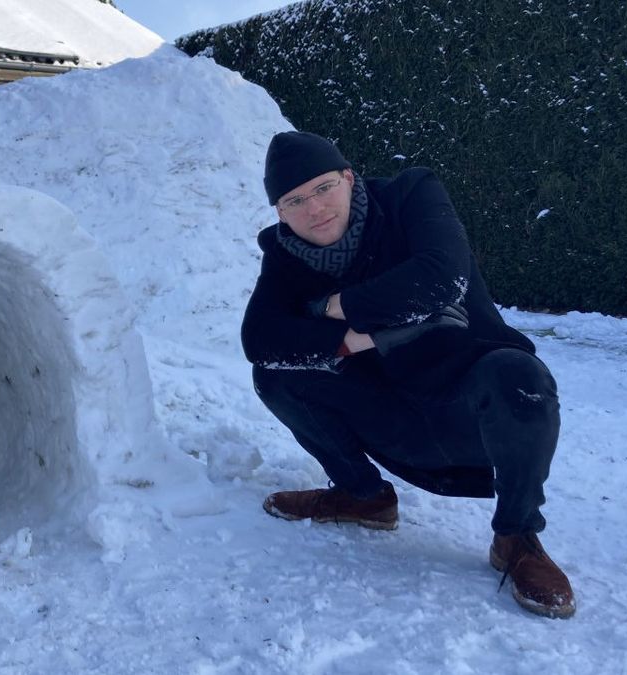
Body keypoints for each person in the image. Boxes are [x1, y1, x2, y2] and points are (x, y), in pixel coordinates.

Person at [241, 130, 574, 619]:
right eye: (294, 200)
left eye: (323, 187)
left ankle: (516, 536)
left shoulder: (410, 196)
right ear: (280, 212)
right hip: (389, 412)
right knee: (277, 376)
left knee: (519, 376)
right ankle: (364, 497)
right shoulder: (286, 253)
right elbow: (260, 340)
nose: (314, 209)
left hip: (469, 404)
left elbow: (440, 279)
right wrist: (352, 339)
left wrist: (335, 306)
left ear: (349, 179)